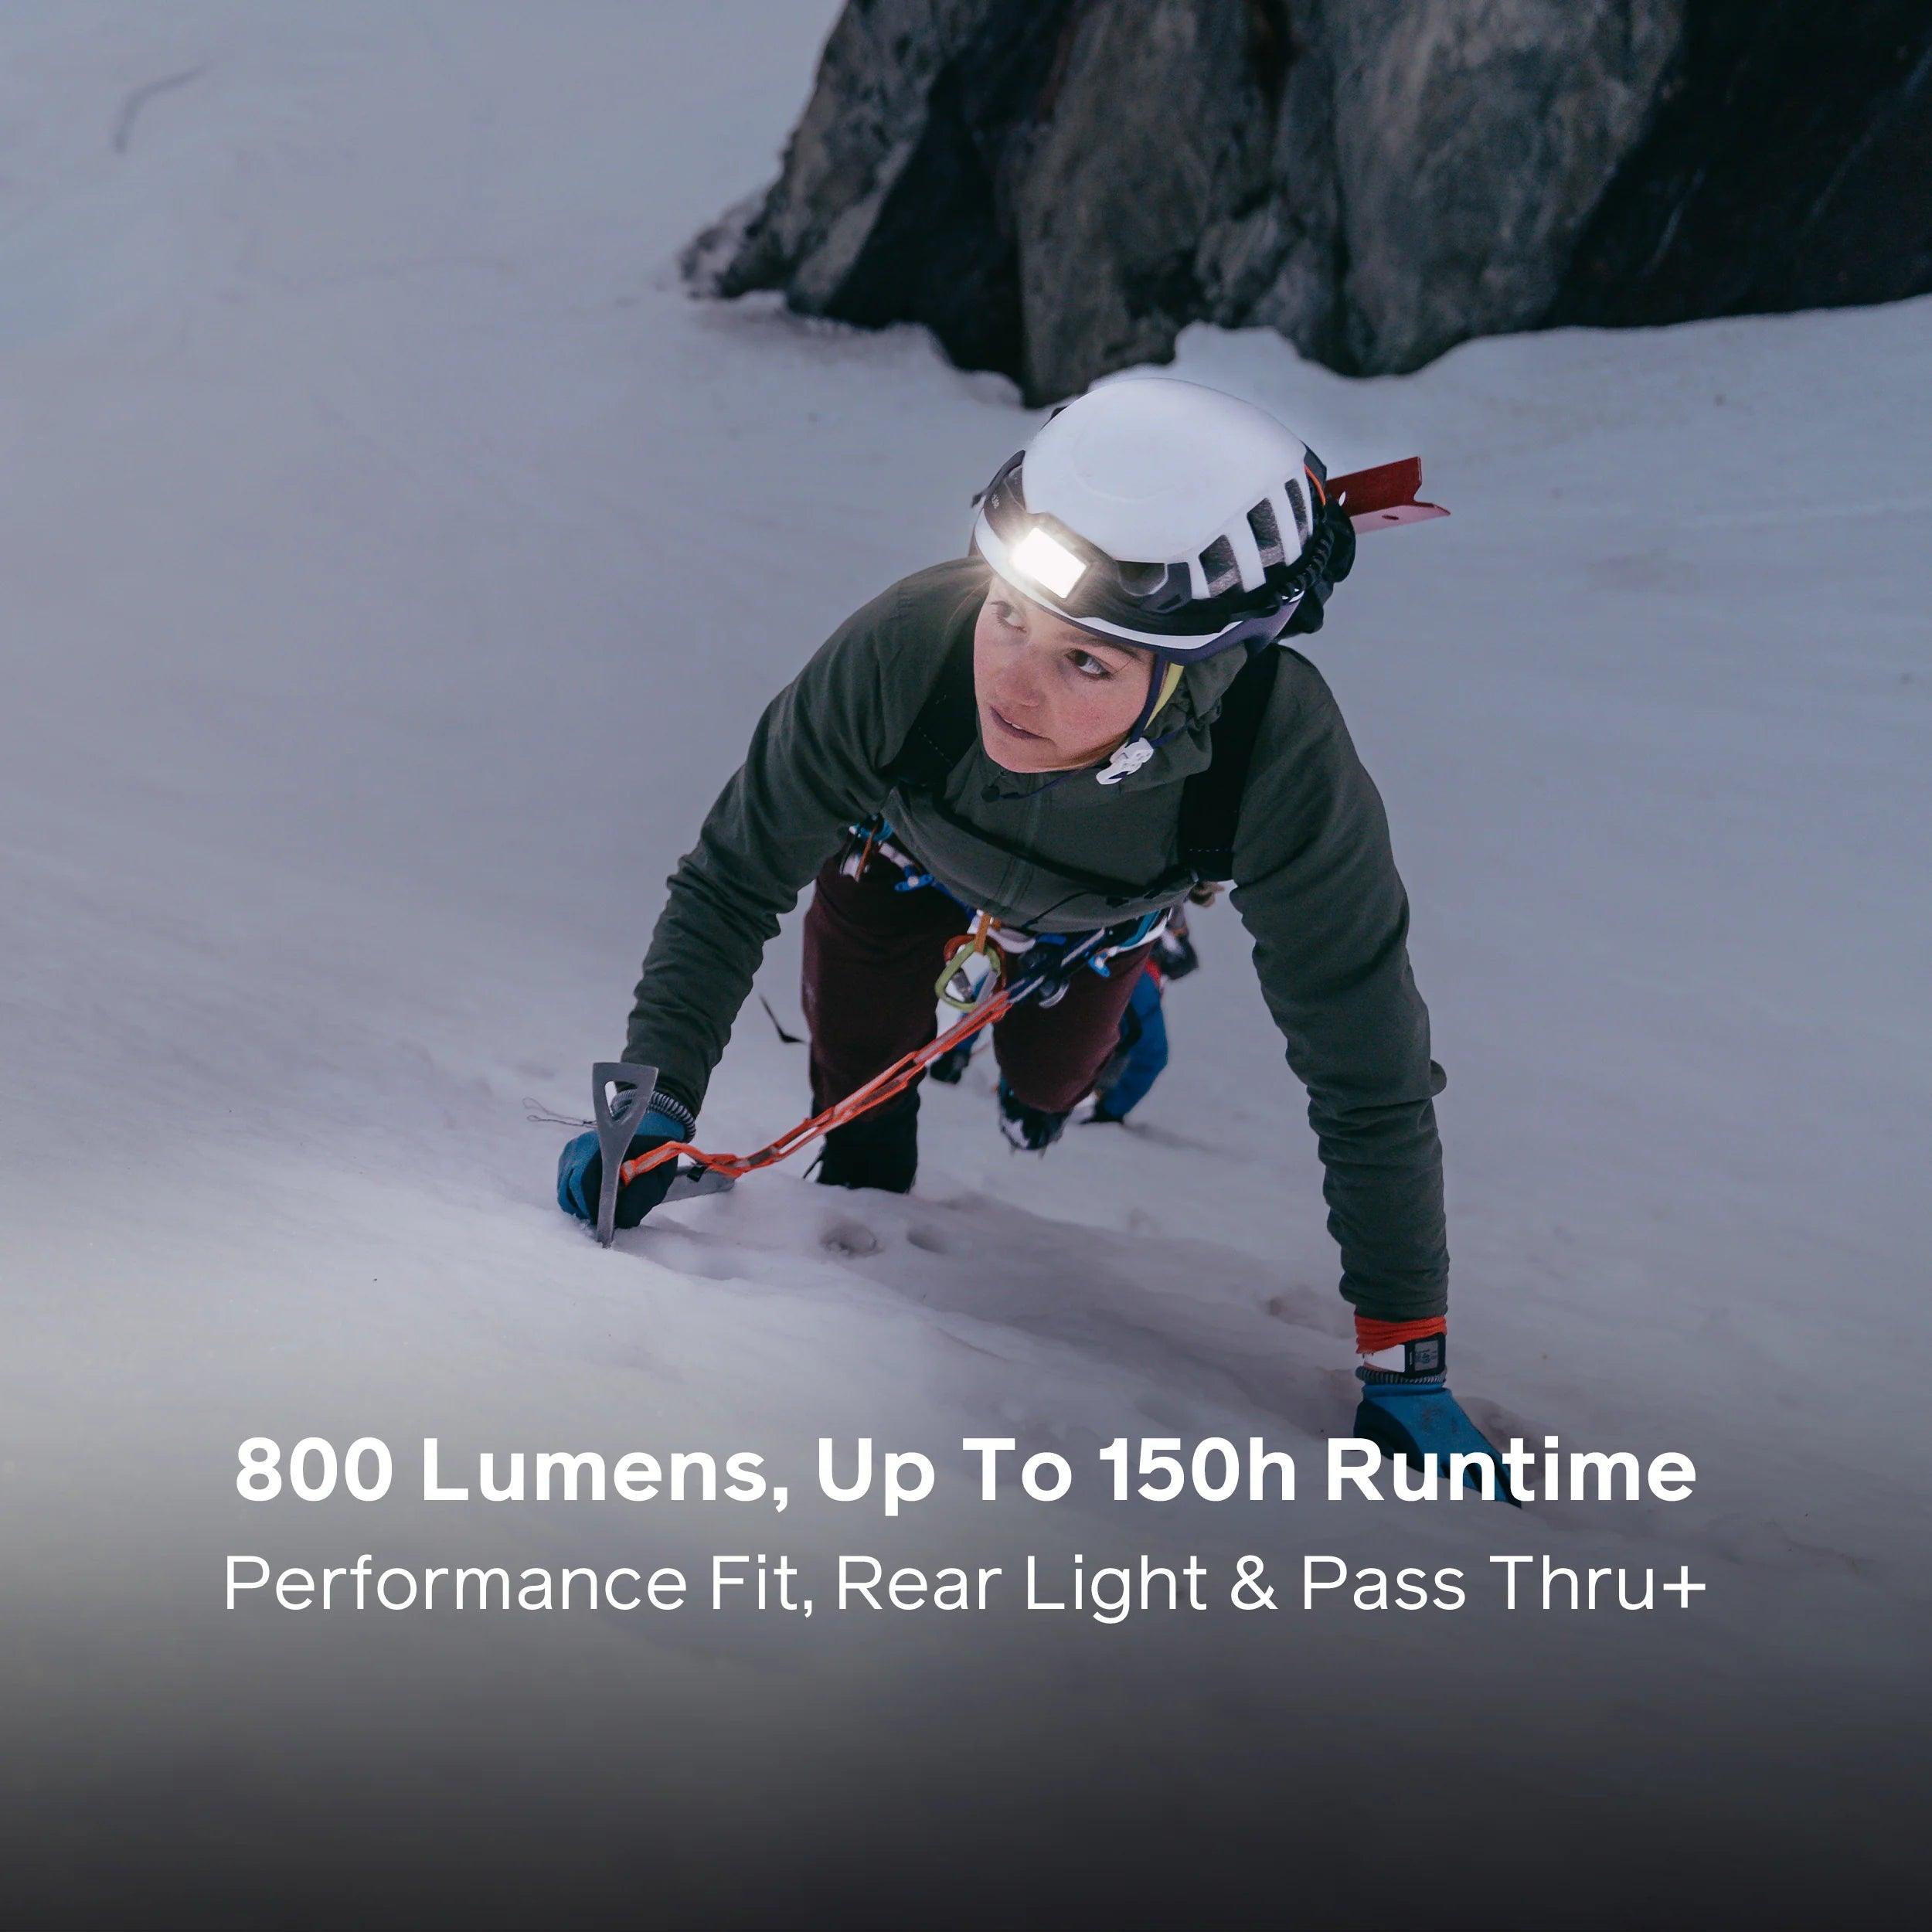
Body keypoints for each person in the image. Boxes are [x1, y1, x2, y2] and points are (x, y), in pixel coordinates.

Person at [558, 376, 1484, 1452]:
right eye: (1008, 613)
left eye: (1085, 659)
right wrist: (655, 1100)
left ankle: (1128, 997)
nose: (1013, 683)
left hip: (1091, 933)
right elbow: (733, 877)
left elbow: (1366, 1066)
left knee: (1047, 1094)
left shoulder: (1279, 754)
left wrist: (1406, 1355)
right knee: (860, 1127)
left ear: (1196, 677)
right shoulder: (912, 644)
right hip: (892, 875)